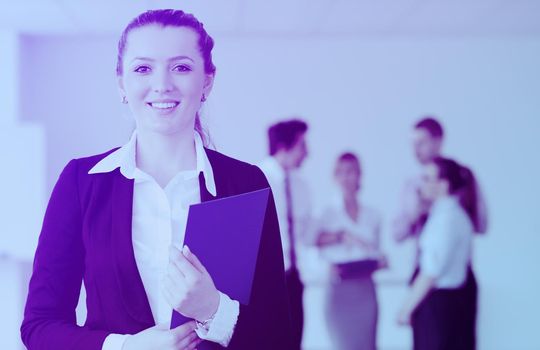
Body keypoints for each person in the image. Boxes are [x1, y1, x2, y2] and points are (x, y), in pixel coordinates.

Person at [20, 9, 292, 350]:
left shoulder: (247, 183)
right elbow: (39, 327)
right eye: (143, 68)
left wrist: (213, 309)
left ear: (207, 81)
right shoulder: (81, 182)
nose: (162, 84)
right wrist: (126, 347)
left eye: (180, 67)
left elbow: (280, 335)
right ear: (122, 83)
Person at [397, 157, 479, 350]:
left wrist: (406, 309)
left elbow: (431, 272)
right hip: (446, 307)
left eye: (426, 178)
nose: (421, 184)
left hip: (440, 308)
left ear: (443, 184)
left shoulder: (447, 220)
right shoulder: (445, 215)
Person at [315, 152, 386, 350]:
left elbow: (377, 251)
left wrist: (380, 260)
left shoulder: (373, 215)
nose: (346, 177)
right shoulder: (326, 214)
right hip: (339, 291)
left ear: (359, 175)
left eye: (351, 172)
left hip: (365, 290)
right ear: (334, 177)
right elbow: (313, 248)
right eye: (341, 173)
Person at [392, 117, 488, 255]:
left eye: (421, 143)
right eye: (413, 144)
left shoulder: (462, 177)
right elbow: (396, 235)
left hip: (455, 264)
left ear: (438, 141)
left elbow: (481, 224)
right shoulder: (412, 185)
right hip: (424, 264)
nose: (416, 150)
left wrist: (451, 211)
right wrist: (416, 214)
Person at [258, 119, 311, 350]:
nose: (307, 152)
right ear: (284, 146)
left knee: (294, 342)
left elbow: (305, 234)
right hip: (267, 281)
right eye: (302, 145)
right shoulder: (256, 179)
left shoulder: (301, 186)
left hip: (294, 279)